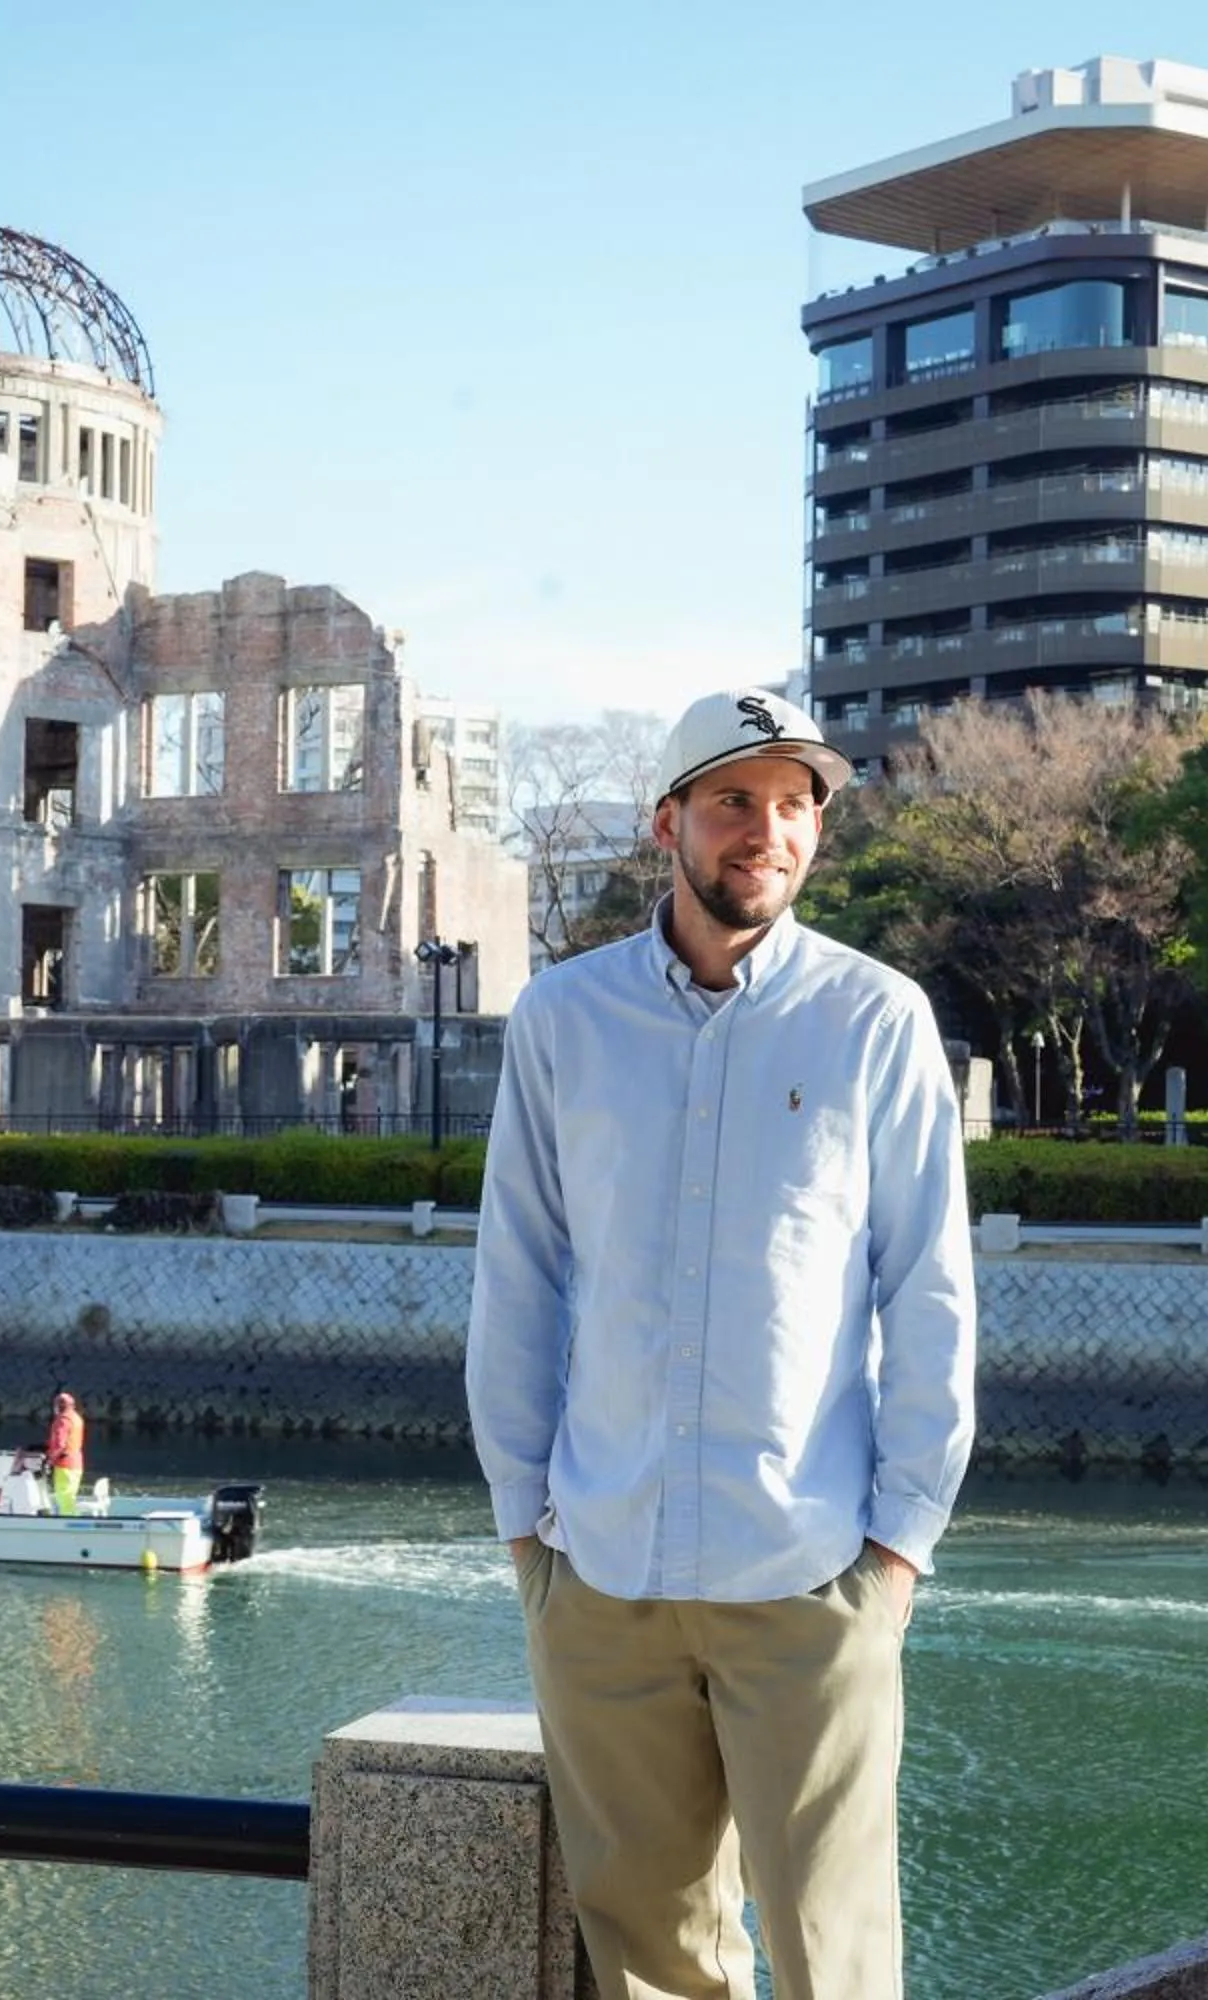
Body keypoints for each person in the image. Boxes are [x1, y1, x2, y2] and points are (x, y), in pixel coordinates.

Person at [467, 684, 980, 1999]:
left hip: (809, 1571)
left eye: (797, 804)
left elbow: (929, 1291)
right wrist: (527, 1531)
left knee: (834, 1961)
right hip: (603, 1571)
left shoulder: (877, 1019)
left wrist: (897, 1550)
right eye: (735, 800)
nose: (770, 829)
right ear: (669, 823)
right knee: (649, 1960)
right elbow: (518, 1274)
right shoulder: (562, 1020)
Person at [45, 1391, 85, 1518]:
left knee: (64, 1498)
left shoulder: (62, 1420)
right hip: (77, 1463)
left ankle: (66, 1522)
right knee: (70, 1496)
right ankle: (71, 1518)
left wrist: (49, 1460)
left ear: (58, 1406)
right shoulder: (76, 1418)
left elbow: (60, 1445)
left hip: (65, 1465)